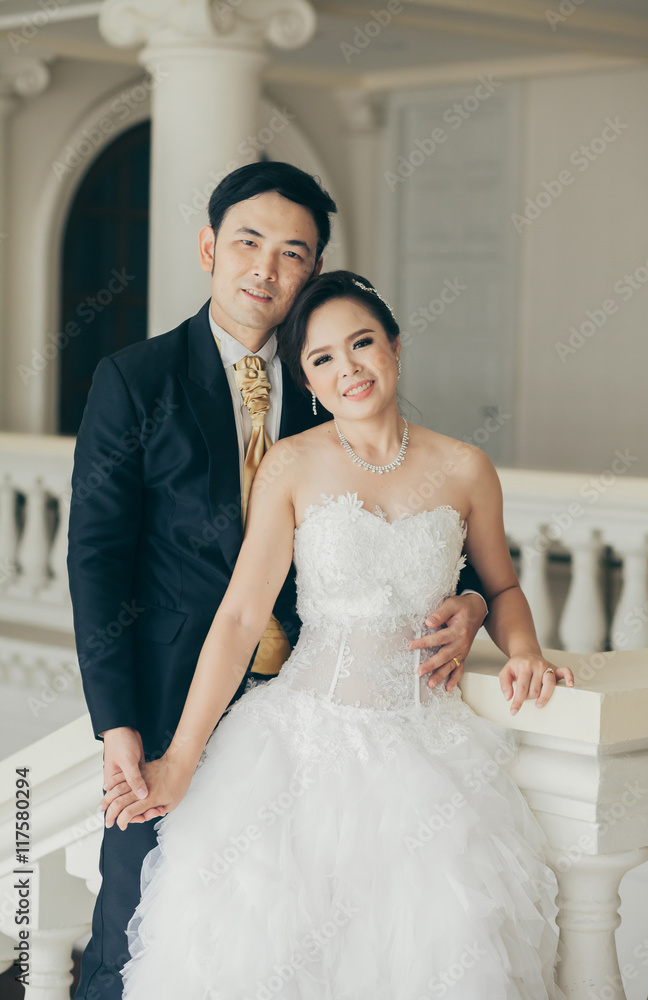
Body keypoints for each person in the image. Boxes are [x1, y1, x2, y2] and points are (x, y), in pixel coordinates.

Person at [67, 164, 489, 1000]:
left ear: (312, 272)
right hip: (168, 696)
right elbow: (96, 558)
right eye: (248, 242)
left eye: (293, 253)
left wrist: (473, 602)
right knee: (138, 934)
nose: (266, 267)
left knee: (292, 948)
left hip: (307, 717)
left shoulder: (330, 379)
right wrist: (116, 722)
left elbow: (424, 510)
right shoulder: (135, 381)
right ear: (208, 247)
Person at [101, 269, 574, 999]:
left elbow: (501, 584)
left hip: (428, 756)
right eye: (322, 358)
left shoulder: (464, 467)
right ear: (307, 380)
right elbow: (238, 619)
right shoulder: (292, 465)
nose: (347, 367)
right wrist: (182, 759)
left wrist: (522, 650)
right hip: (297, 748)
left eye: (361, 343)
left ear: (392, 346)